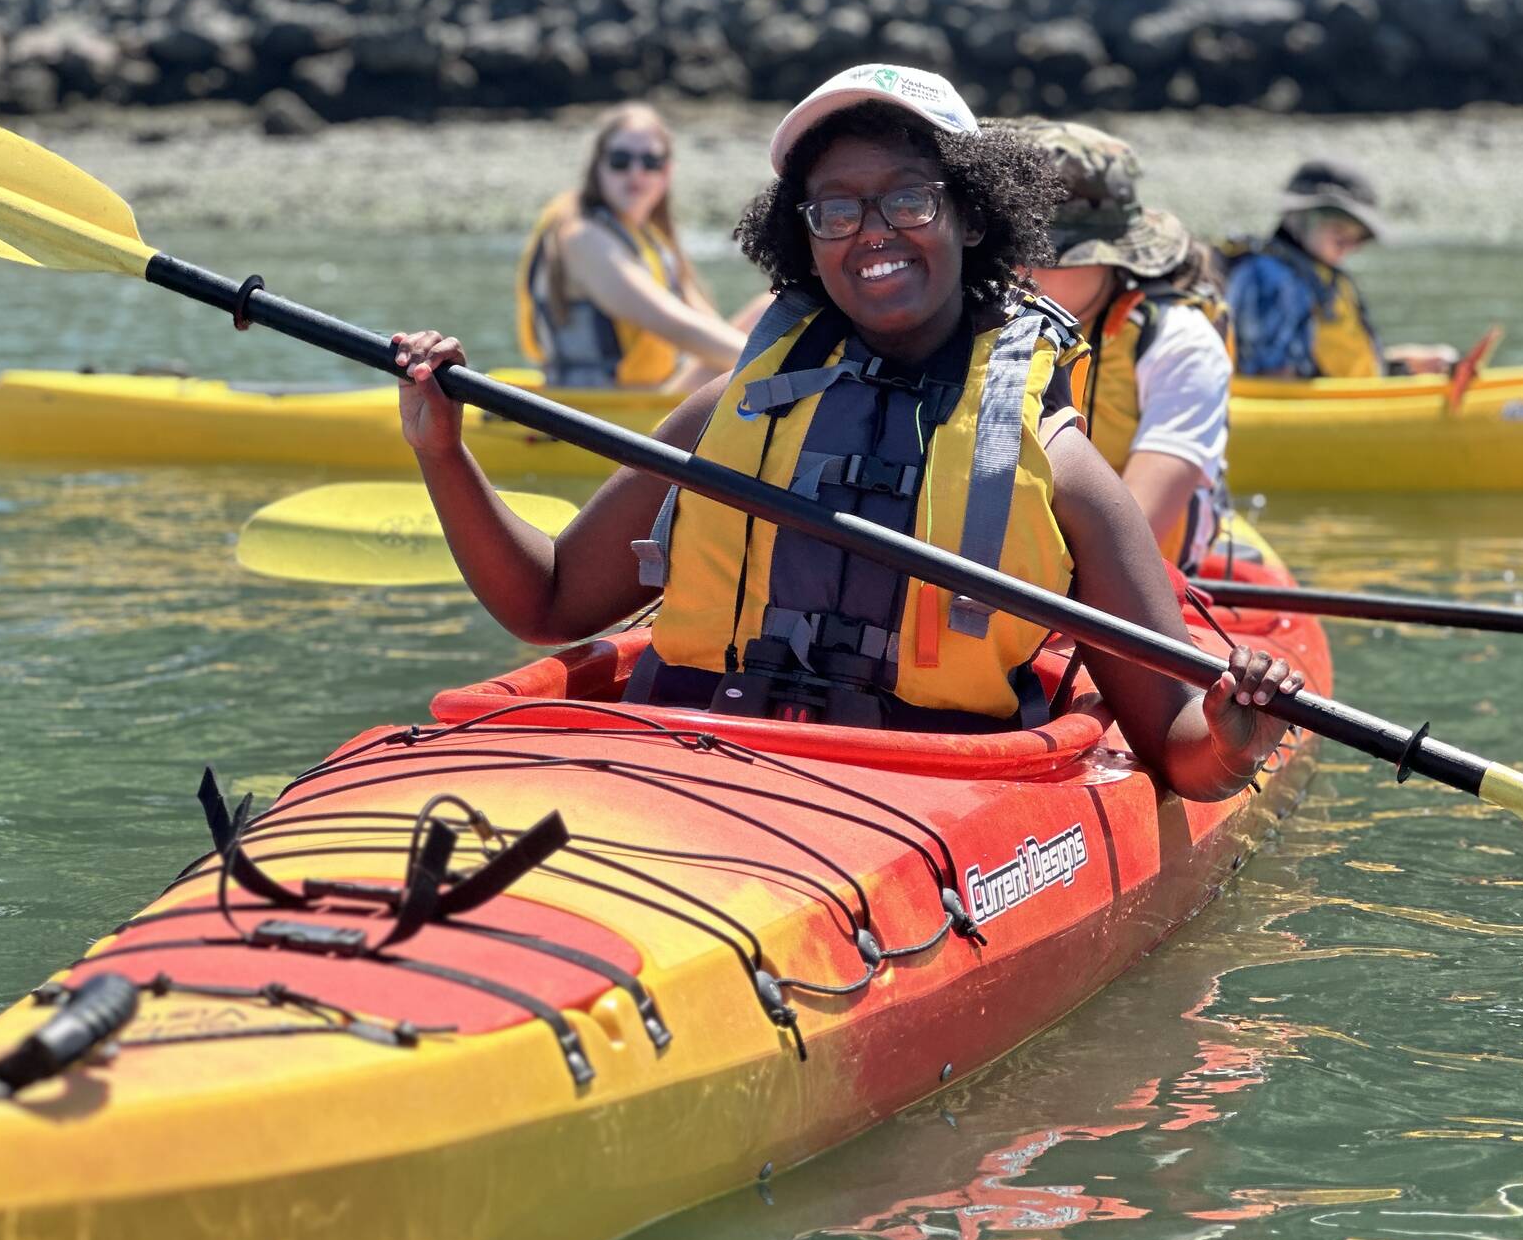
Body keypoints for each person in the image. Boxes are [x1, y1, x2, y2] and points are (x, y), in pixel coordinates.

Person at [402, 64, 1299, 801]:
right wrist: (444, 452)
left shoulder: (1060, 467)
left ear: (971, 214)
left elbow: (1178, 755)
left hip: (919, 798)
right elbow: (546, 604)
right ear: (805, 236)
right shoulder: (730, 411)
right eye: (837, 211)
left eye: (908, 202)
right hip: (685, 767)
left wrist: (1232, 736)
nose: (873, 234)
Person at [1016, 122, 1230, 573]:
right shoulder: (978, 320)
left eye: (1041, 254)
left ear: (1110, 257)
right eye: (1003, 249)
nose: (1015, 271)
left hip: (1131, 589)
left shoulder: (1180, 342)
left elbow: (1133, 542)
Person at [515, 102, 751, 392]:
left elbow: (707, 323)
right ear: (598, 166)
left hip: (653, 395)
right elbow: (675, 324)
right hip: (595, 412)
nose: (635, 172)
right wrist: (775, 365)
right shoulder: (582, 237)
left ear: (666, 173)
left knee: (773, 306)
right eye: (620, 160)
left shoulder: (649, 239)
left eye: (650, 162)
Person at [1223, 159, 1456, 378]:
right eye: (1339, 229)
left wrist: (1402, 365)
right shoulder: (1270, 276)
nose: (1349, 243)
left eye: (1359, 236)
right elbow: (1272, 380)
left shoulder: (1323, 274)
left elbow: (1331, 364)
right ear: (1297, 218)